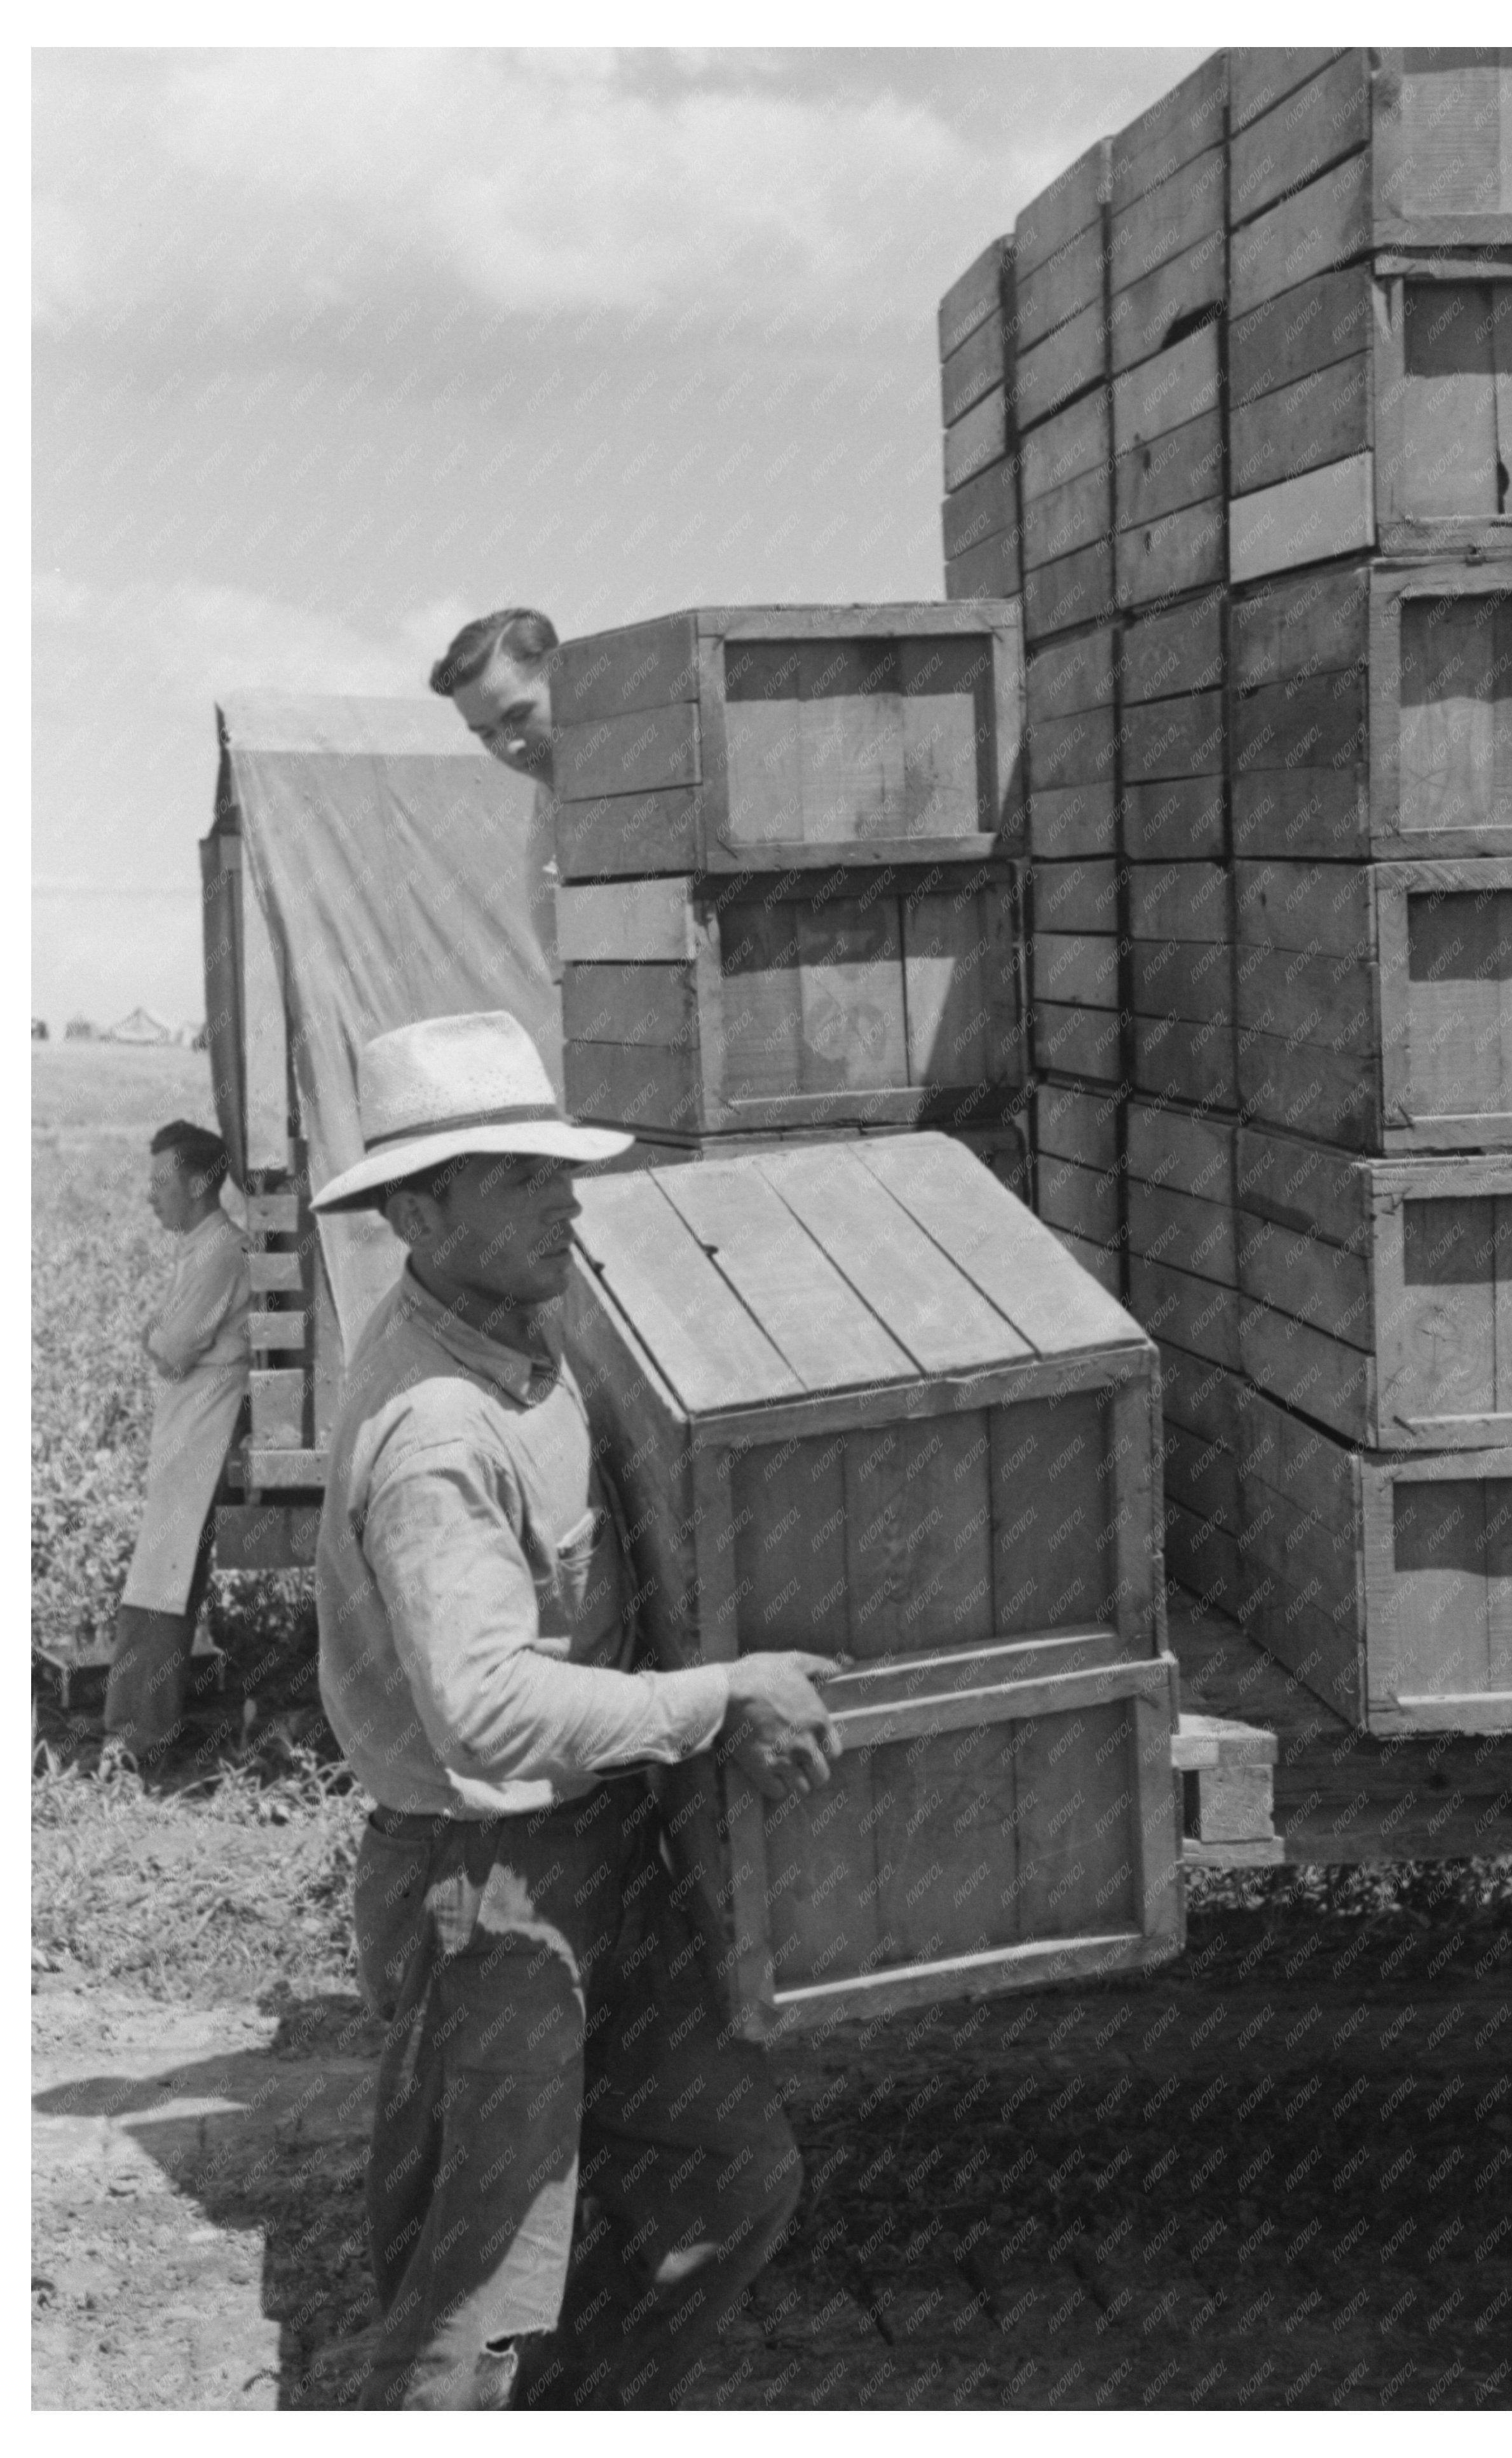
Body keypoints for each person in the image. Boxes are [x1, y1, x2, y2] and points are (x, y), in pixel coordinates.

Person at [311, 1010, 840, 2411]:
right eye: (522, 1177)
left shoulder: (514, 1330)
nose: (570, 1197)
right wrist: (719, 1695)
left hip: (592, 1853)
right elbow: (483, 1709)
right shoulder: (435, 1432)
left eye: (562, 1167)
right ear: (421, 1211)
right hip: (483, 1890)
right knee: (478, 2286)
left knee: (729, 2176)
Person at [102, 1121, 250, 1763]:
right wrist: (166, 1344)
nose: (149, 1195)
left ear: (196, 1182)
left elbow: (173, 1344)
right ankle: (145, 1731)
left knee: (162, 1577)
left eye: (160, 1181)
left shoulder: (220, 1251)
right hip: (191, 1421)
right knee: (166, 1574)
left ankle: (138, 1738)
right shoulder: (202, 1246)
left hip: (207, 1426)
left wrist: (158, 1340)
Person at [429, 609, 561, 982]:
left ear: (562, 674)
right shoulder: (550, 815)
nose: (511, 746)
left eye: (518, 715)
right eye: (487, 734)